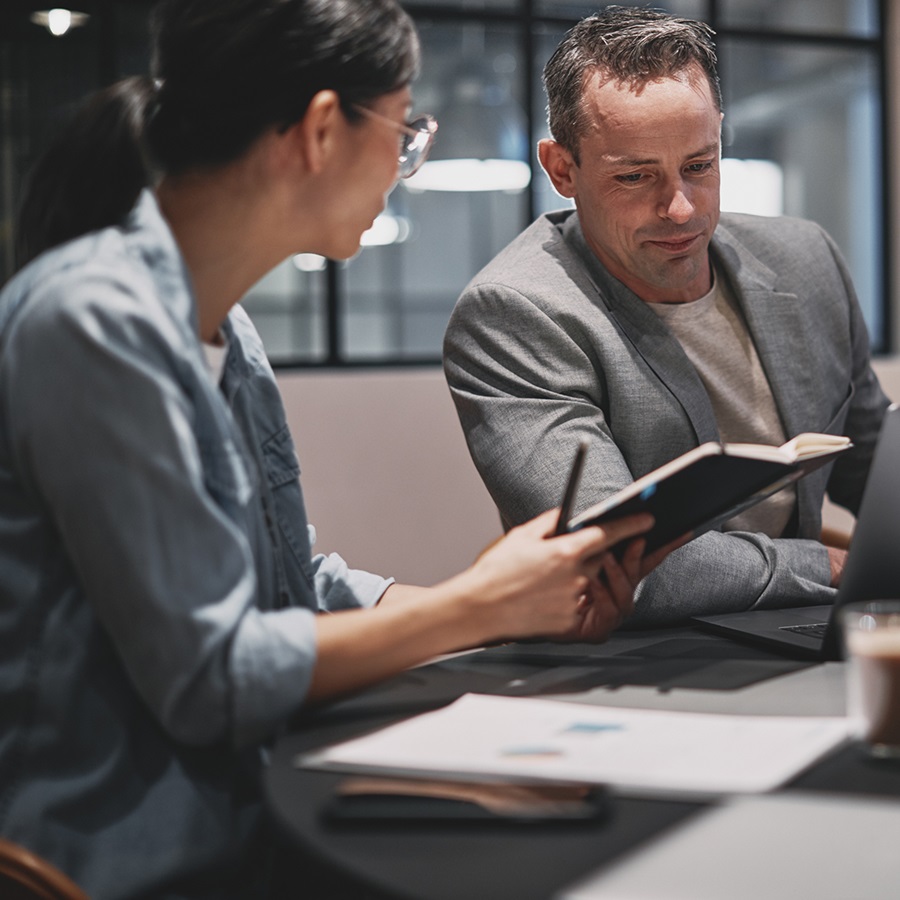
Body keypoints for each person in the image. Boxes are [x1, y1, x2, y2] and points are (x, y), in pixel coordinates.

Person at [0, 1, 675, 897]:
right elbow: (215, 679)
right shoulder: (92, 324)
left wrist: (504, 603)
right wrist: (472, 608)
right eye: (402, 131)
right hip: (127, 851)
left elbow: (290, 582)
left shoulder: (224, 327)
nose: (403, 165)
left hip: (253, 802)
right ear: (321, 130)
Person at [443, 6, 890, 627]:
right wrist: (825, 567)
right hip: (637, 655)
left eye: (700, 166)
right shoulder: (515, 315)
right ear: (562, 169)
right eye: (635, 177)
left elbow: (874, 467)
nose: (681, 209)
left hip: (800, 627)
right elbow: (616, 561)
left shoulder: (804, 260)